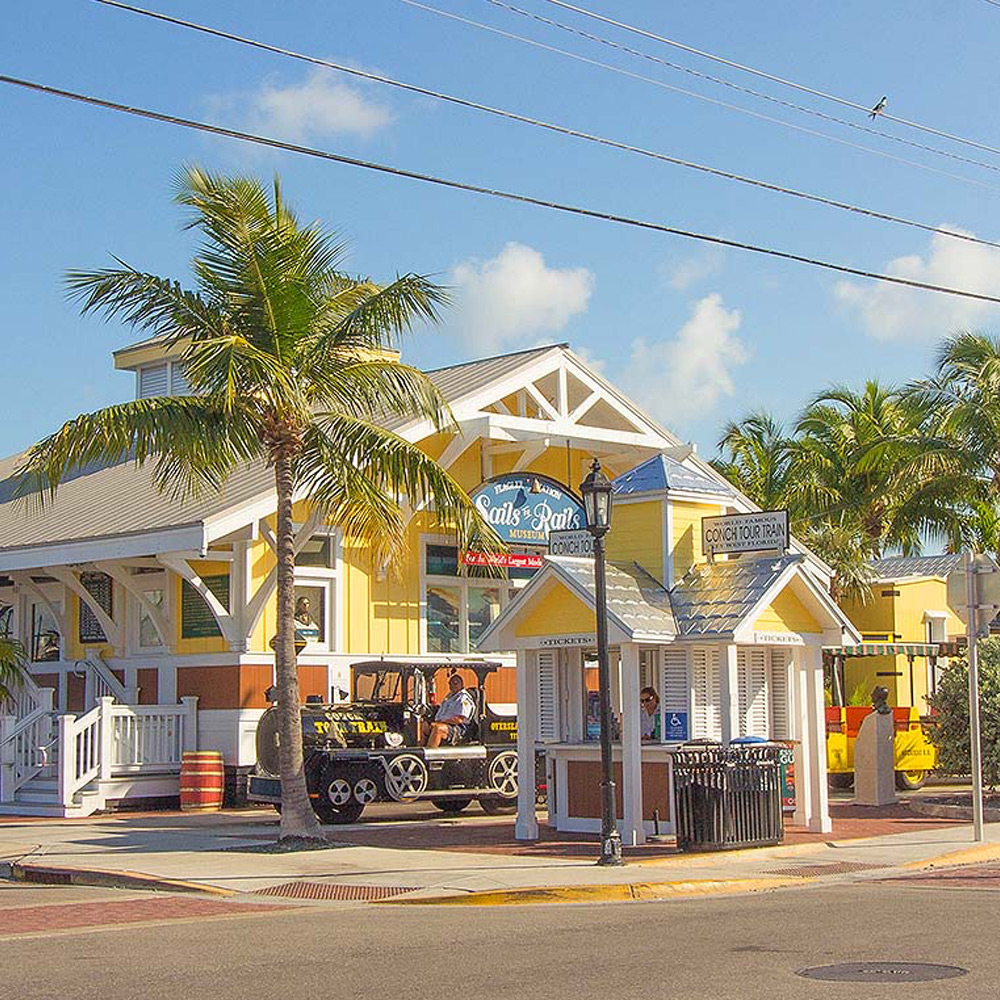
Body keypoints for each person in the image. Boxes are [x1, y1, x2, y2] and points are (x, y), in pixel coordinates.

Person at [426, 673, 477, 747]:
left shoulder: (463, 698)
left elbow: (459, 720)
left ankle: (429, 755)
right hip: (445, 724)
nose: (452, 685)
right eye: (450, 683)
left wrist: (440, 722)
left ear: (462, 684)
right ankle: (418, 751)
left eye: (456, 683)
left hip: (459, 728)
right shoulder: (450, 696)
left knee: (438, 729)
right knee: (423, 726)